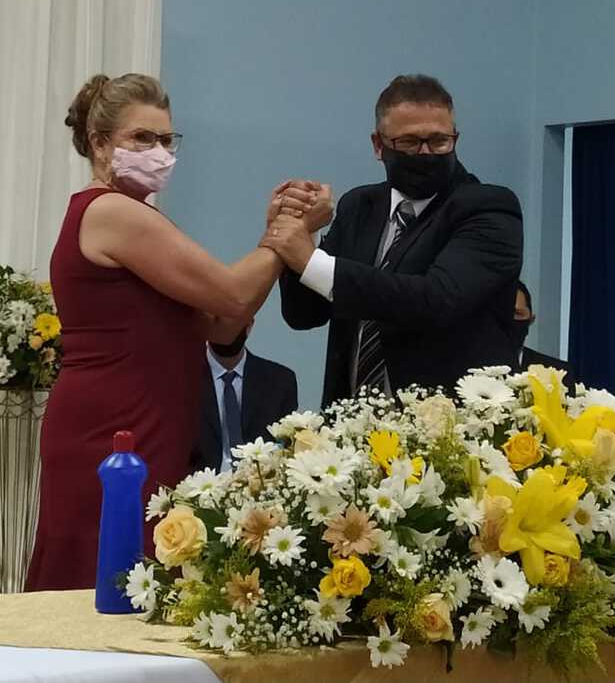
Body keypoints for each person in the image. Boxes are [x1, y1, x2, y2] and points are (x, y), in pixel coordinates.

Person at [26, 73, 331, 591]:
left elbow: (223, 323)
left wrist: (279, 235)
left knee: (147, 575)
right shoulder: (111, 211)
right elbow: (233, 294)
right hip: (111, 425)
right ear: (100, 144)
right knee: (104, 576)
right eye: (142, 138)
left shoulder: (139, 216)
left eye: (167, 140)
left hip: (154, 419)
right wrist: (290, 234)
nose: (159, 152)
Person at [268, 74, 523, 406]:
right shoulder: (359, 206)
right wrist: (302, 230)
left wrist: (309, 259)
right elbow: (305, 314)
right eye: (409, 142)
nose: (425, 153)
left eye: (439, 141)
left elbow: (436, 299)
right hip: (351, 421)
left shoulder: (489, 206)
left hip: (448, 425)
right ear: (379, 145)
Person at [190, 322, 299, 474]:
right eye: (218, 319)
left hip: (261, 483)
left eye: (232, 320)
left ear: (249, 324)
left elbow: (285, 450)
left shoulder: (280, 381)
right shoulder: (182, 380)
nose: (226, 328)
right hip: (199, 483)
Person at [512, 280, 575, 380]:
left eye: (517, 313)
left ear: (531, 320)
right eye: (502, 314)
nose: (508, 320)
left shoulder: (558, 374)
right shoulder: (482, 371)